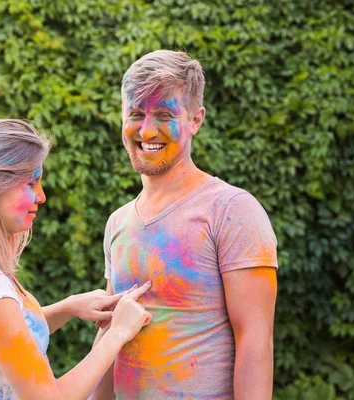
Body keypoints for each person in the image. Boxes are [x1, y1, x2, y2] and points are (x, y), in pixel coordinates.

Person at [0, 119, 153, 400]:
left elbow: (7, 338)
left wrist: (69, 307)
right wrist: (118, 332)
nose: (41, 196)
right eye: (31, 182)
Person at [91, 50, 278, 400]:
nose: (146, 130)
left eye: (164, 114)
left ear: (195, 119)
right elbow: (109, 333)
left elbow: (255, 336)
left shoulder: (232, 210)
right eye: (135, 114)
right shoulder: (118, 222)